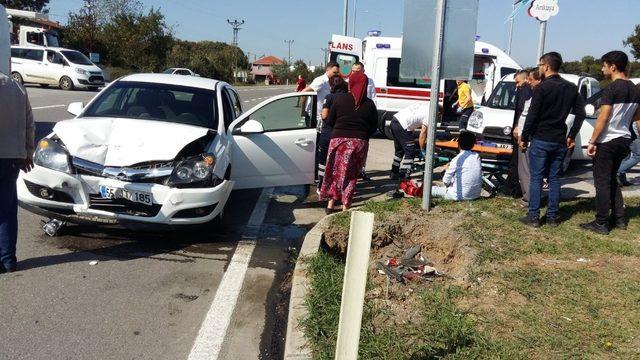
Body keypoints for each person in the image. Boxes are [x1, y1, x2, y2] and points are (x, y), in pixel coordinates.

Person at [519, 52, 586, 228]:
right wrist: (572, 135)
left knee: (536, 178)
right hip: (559, 140)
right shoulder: (571, 88)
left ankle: (533, 216)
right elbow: (581, 113)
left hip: (541, 138)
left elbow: (532, 116)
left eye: (540, 65)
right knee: (555, 178)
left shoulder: (542, 88)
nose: (539, 68)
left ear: (546, 66)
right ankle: (552, 217)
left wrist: (524, 137)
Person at [580, 51, 640, 234]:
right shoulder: (635, 89)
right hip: (623, 139)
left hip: (608, 140)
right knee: (612, 179)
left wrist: (592, 141)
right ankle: (619, 219)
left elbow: (603, 118)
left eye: (604, 65)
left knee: (602, 182)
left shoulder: (611, 89)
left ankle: (601, 222)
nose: (602, 68)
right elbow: (637, 117)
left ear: (613, 66)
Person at [320, 72, 378, 213]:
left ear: (350, 83)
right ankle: (346, 206)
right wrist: (362, 135)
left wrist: (340, 128)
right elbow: (374, 127)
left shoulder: (339, 99)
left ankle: (331, 204)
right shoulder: (369, 104)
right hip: (359, 143)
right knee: (351, 175)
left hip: (339, 140)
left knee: (333, 172)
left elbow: (329, 120)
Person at [0, 74, 35, 273]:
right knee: (7, 210)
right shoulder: (17, 88)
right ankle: (8, 259)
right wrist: (27, 152)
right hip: (12, 158)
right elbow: (29, 123)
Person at [513, 68, 542, 208]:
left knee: (525, 169)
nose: (517, 85)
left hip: (529, 137)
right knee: (538, 171)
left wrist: (521, 135)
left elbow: (525, 115)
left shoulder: (529, 93)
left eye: (530, 79)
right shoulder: (563, 90)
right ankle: (535, 198)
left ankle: (528, 199)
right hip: (545, 137)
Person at [502, 69, 532, 197]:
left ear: (525, 79)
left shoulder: (525, 90)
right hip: (523, 130)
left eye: (517, 82)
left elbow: (522, 111)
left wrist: (517, 128)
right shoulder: (529, 90)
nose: (516, 85)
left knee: (517, 162)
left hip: (520, 131)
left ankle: (512, 188)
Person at [431, 131, 482, 201]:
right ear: (473, 145)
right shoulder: (476, 156)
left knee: (431, 189)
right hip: (475, 195)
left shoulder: (457, 159)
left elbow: (445, 181)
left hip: (457, 196)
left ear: (458, 144)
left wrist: (446, 169)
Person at [317, 75, 348, 189]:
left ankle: (321, 185)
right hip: (342, 133)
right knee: (338, 161)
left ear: (332, 85)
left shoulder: (329, 97)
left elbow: (324, 115)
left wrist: (324, 116)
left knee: (323, 160)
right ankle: (337, 186)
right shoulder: (349, 97)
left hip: (328, 133)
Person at [350, 61, 375, 181]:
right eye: (353, 70)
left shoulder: (369, 81)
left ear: (363, 71)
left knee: (364, 147)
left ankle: (361, 170)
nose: (355, 73)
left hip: (364, 116)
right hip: (352, 117)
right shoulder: (348, 82)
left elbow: (373, 98)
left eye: (357, 70)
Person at [389, 103, 429, 179]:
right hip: (402, 125)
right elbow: (422, 134)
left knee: (399, 150)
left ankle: (394, 173)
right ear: (438, 113)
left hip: (394, 120)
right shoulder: (430, 115)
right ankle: (403, 174)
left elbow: (412, 121)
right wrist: (422, 149)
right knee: (411, 150)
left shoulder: (424, 107)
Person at [616, 122, 640, 187]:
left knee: (626, 156)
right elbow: (638, 123)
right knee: (638, 155)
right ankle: (618, 171)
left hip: (626, 133)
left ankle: (622, 179)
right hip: (633, 135)